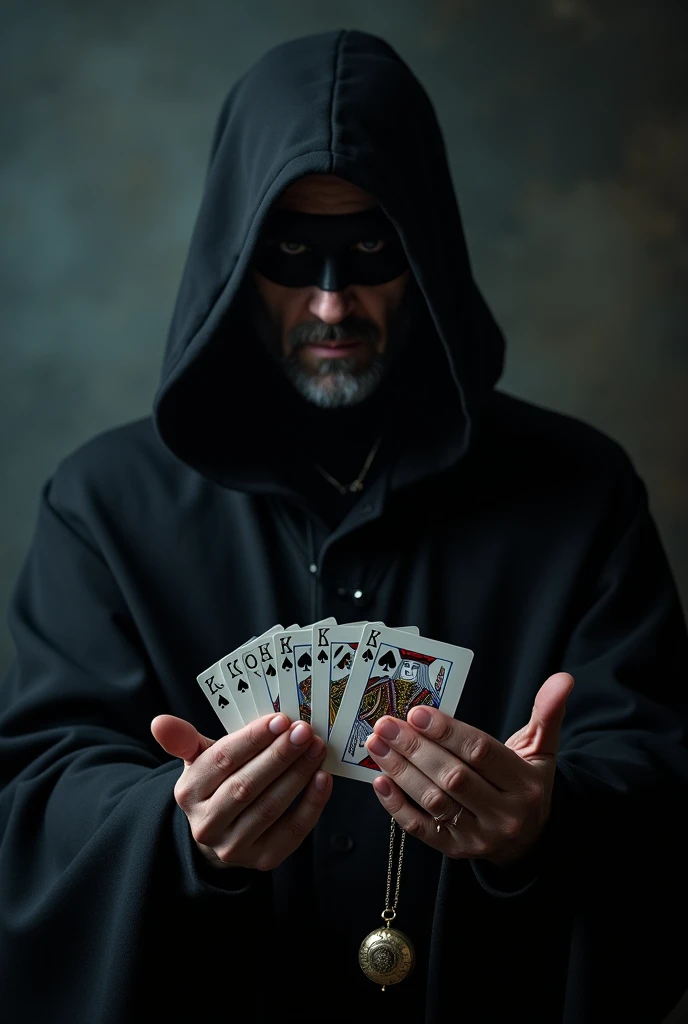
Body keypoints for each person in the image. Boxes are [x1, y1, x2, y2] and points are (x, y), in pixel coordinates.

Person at [0, 28, 687, 1024]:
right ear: (236, 256)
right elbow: (37, 799)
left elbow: (658, 782)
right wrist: (172, 828)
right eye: (291, 254)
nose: (332, 300)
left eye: (370, 250)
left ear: (428, 250)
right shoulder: (102, 506)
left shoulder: (583, 494)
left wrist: (547, 823)